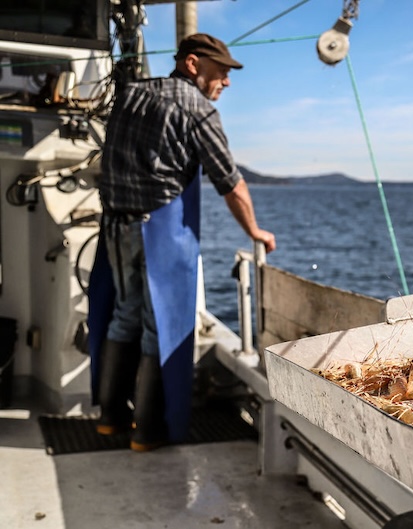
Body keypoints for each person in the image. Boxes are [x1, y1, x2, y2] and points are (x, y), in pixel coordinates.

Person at [88, 33, 275, 452]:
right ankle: (148, 431)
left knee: (124, 314)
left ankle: (110, 417)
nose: (226, 81)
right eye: (221, 71)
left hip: (116, 226)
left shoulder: (132, 94)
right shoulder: (197, 108)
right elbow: (231, 183)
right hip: (159, 230)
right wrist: (255, 231)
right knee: (161, 327)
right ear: (193, 64)